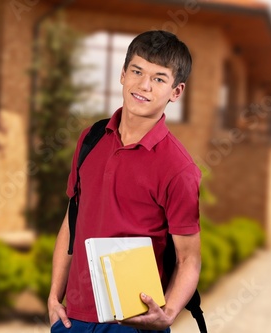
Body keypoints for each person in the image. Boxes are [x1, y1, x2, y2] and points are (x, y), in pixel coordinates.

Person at [48, 30, 202, 333]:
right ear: (122, 74)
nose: (143, 85)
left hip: (134, 322)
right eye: (137, 71)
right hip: (72, 319)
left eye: (159, 78)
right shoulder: (91, 138)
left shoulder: (178, 168)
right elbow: (72, 220)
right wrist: (54, 296)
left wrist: (167, 314)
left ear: (176, 91)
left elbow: (189, 258)